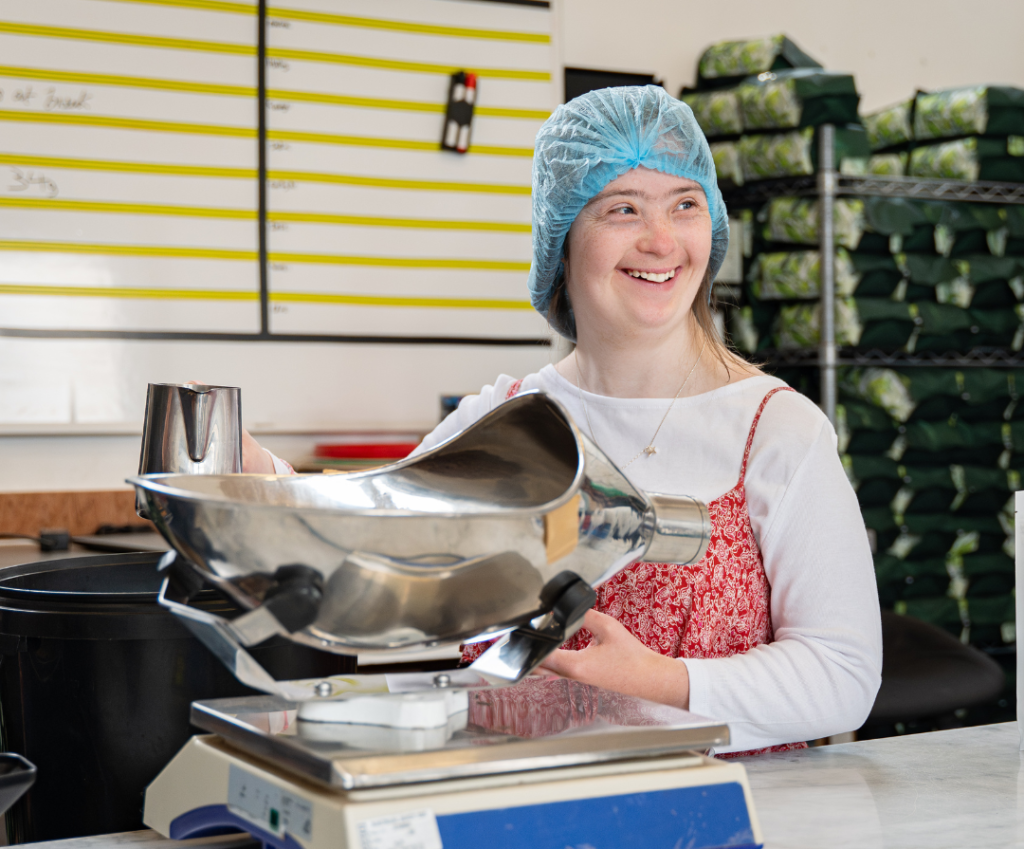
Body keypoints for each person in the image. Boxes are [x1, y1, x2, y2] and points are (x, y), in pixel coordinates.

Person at [252, 86, 882, 755]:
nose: (661, 239)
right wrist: (247, 475)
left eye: (685, 205)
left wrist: (665, 680)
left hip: (723, 811)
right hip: (523, 806)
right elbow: (364, 539)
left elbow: (843, 675)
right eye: (623, 208)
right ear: (563, 238)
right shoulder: (505, 416)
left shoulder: (777, 430)